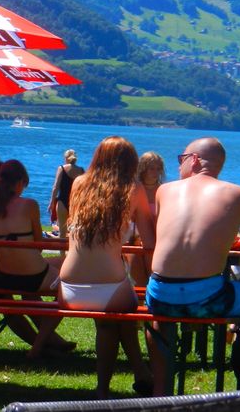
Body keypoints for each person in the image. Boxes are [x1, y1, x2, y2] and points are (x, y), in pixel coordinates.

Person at [149, 136, 240, 391]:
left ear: (195, 160)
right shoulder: (239, 195)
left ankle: (160, 391)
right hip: (207, 298)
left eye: (181, 159)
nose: (178, 167)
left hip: (160, 293)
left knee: (160, 316)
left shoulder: (164, 191)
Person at [58, 137, 154, 398]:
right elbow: (150, 241)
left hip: (68, 288)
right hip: (110, 289)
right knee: (120, 314)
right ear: (131, 162)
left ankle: (138, 373)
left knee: (112, 320)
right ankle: (111, 384)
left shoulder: (79, 183)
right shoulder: (133, 188)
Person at [0, 160, 74, 358]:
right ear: (19, 183)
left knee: (55, 269)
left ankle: (49, 341)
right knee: (69, 283)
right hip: (33, 276)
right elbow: (39, 245)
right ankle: (39, 347)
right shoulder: (29, 205)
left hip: (5, 275)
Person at [128, 151, 164, 287]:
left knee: (154, 279)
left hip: (157, 242)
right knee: (138, 282)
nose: (156, 172)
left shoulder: (164, 190)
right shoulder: (133, 189)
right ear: (143, 169)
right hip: (134, 240)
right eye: (152, 168)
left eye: (158, 168)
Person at [47, 148, 84, 233]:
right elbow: (84, 189)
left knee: (62, 233)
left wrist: (52, 202)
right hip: (75, 203)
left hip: (62, 202)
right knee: (73, 233)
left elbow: (55, 187)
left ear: (66, 158)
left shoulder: (61, 168)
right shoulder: (81, 170)